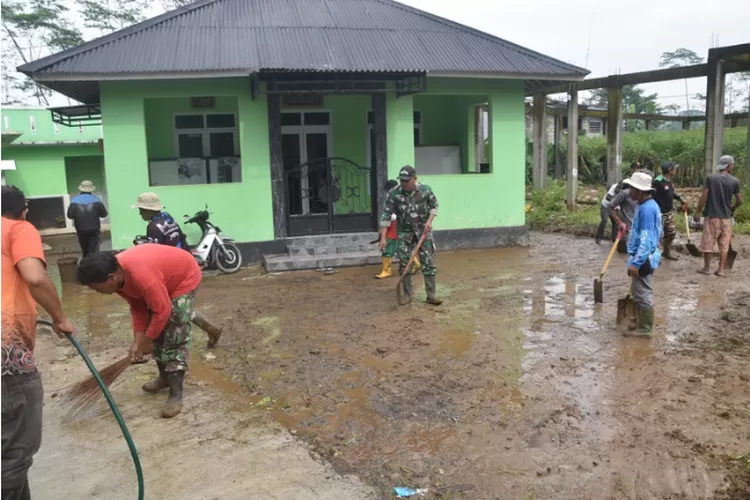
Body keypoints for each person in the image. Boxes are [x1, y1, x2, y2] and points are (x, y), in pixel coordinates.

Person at [2, 185, 74, 500]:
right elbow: (33, 275)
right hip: (6, 349)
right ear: (25, 211)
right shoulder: (19, 227)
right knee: (17, 450)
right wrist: (59, 317)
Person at [76, 245, 201, 418]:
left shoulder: (141, 276)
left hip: (183, 276)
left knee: (175, 328)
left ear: (110, 278)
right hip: (159, 280)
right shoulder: (118, 279)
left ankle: (175, 395)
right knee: (155, 327)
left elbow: (162, 311)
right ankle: (164, 378)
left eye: (97, 288)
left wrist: (147, 340)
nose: (97, 292)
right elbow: (137, 306)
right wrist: (138, 340)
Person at [379, 166, 441, 305]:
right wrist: (383, 238)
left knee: (428, 263)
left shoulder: (425, 190)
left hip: (423, 231)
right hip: (404, 232)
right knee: (405, 264)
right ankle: (407, 295)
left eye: (407, 180)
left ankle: (431, 295)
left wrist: (429, 222)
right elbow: (386, 216)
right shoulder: (394, 194)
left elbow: (434, 205)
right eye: (401, 180)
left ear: (414, 178)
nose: (404, 183)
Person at [621, 172, 662, 337]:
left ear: (640, 190)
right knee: (639, 291)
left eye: (632, 188)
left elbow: (645, 239)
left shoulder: (646, 210)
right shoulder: (648, 206)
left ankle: (644, 329)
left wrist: (636, 263)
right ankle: (640, 324)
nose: (630, 192)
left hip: (643, 257)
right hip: (646, 255)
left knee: (643, 293)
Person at [694, 155, 743, 277]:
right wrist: (732, 208)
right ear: (729, 165)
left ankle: (707, 268)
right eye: (732, 164)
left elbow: (704, 197)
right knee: (724, 245)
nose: (733, 166)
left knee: (708, 243)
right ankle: (721, 270)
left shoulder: (710, 178)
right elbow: (739, 201)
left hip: (712, 217)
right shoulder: (735, 181)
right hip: (726, 218)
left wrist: (698, 211)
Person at [375, 180, 420, 279]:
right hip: (403, 228)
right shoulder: (406, 196)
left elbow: (389, 216)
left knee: (387, 248)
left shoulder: (393, 197)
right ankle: (416, 264)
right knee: (405, 248)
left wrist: (382, 233)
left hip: (393, 228)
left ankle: (386, 271)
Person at [651, 162, 686, 261]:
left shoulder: (669, 181)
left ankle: (666, 252)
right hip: (659, 213)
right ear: (670, 170)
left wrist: (680, 198)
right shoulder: (658, 181)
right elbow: (651, 195)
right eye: (674, 169)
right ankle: (653, 257)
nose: (675, 170)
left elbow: (671, 193)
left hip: (668, 212)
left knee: (671, 233)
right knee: (657, 235)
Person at [67, 180, 108, 257]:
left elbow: (70, 215)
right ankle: (94, 265)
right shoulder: (97, 201)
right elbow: (104, 214)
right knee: (94, 250)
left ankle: (85, 264)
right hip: (94, 230)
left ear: (81, 189)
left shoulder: (74, 201)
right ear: (91, 190)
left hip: (80, 230)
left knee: (84, 250)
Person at [607, 179, 639, 253]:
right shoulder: (624, 194)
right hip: (626, 228)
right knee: (622, 252)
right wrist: (619, 222)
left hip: (637, 229)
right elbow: (610, 206)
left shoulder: (646, 196)